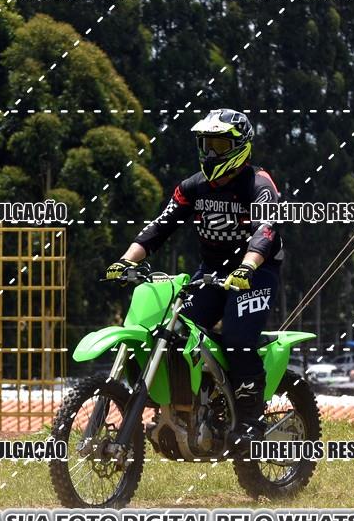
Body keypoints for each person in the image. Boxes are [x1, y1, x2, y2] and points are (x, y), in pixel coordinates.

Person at [103, 108, 284, 454]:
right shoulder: (193, 187)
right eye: (205, 144)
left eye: (219, 145)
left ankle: (250, 421)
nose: (210, 153)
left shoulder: (259, 184)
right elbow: (161, 225)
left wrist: (247, 267)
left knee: (237, 338)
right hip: (211, 272)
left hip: (255, 273)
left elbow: (266, 230)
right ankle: (195, 405)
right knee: (174, 331)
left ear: (240, 146)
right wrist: (126, 260)